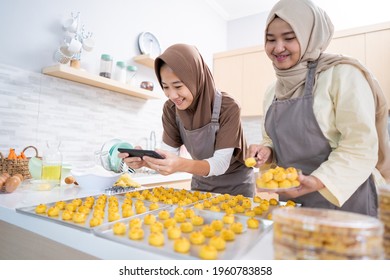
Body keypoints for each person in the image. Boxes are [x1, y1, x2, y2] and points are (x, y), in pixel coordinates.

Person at [247, 0, 390, 216]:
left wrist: (316, 181)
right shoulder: (272, 92)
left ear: (310, 37)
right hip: (296, 203)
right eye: (270, 40)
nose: (278, 48)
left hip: (348, 200)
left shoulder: (342, 75)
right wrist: (267, 152)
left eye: (289, 38)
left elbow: (360, 146)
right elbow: (272, 141)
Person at [120, 44, 255, 197]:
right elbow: (168, 155)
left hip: (236, 188)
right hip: (201, 185)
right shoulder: (171, 109)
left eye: (178, 86)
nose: (172, 95)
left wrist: (179, 164)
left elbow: (220, 164)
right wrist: (144, 161)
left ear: (195, 79)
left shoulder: (228, 106)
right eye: (166, 87)